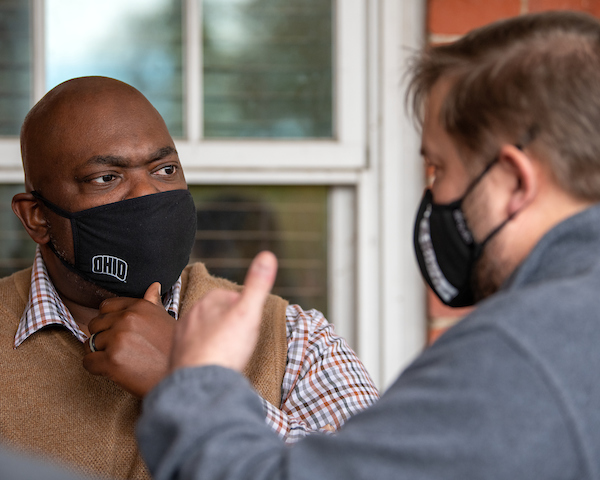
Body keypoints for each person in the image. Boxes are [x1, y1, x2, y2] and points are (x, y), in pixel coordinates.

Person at [137, 10, 600, 480]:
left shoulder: (520, 353)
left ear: (513, 182)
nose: (433, 195)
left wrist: (198, 378)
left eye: (439, 168)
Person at [0, 76, 378, 479]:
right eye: (107, 178)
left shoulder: (293, 340)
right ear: (36, 217)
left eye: (164, 169)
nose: (147, 195)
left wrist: (190, 383)